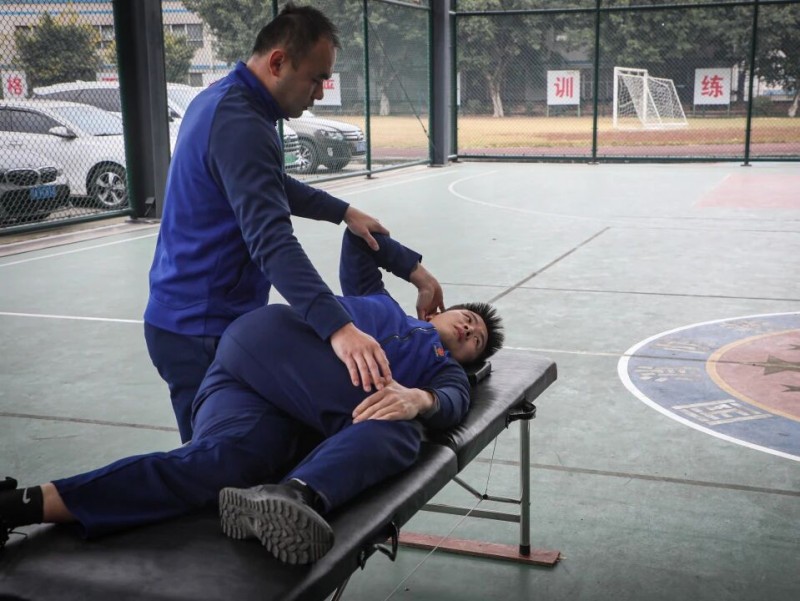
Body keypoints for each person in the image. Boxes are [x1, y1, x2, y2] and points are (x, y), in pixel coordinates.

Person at [1, 231, 504, 566]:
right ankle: (298, 493)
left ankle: (22, 504)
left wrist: (420, 399)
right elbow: (360, 239)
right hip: (267, 346)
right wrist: (418, 273)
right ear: (438, 309)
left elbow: (452, 403)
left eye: (476, 340)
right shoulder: (381, 302)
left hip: (266, 404)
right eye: (467, 318)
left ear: (468, 360)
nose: (468, 329)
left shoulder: (443, 371)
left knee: (217, 464)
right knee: (396, 431)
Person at [145, 2, 397, 444]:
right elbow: (271, 240)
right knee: (211, 463)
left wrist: (342, 211)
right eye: (316, 78)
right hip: (199, 327)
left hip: (197, 317)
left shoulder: (224, 100)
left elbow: (267, 181)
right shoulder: (241, 122)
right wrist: (338, 328)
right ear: (278, 62)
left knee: (233, 451)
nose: (319, 93)